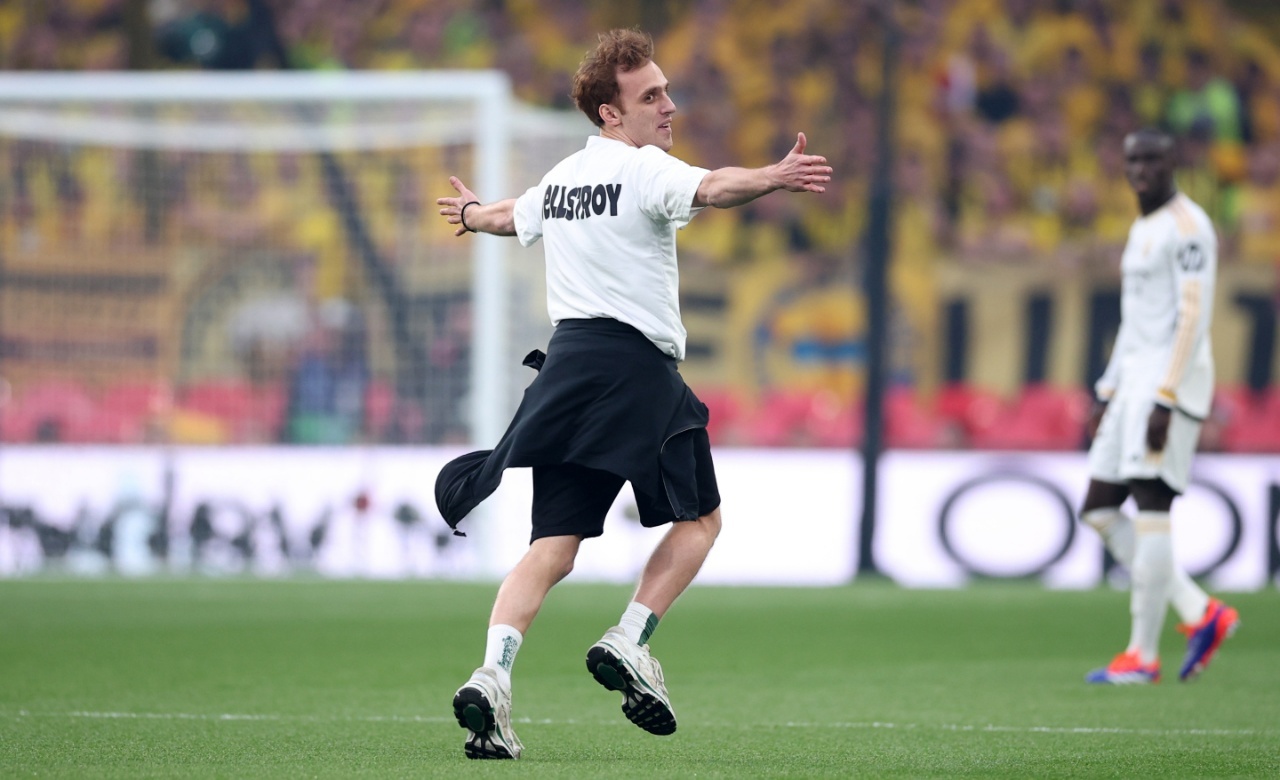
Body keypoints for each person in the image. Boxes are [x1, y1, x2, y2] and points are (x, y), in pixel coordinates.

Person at [432, 28, 831, 758]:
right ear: (610, 114)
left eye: (666, 91)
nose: (668, 106)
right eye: (651, 96)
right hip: (635, 369)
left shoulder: (559, 181)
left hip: (565, 369)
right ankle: (630, 639)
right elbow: (712, 187)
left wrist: (467, 214)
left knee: (552, 545)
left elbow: (504, 215)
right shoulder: (645, 170)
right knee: (702, 521)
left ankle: (491, 676)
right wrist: (774, 176)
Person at [1080, 127, 1239, 686]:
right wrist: (1107, 390)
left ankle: (1141, 656)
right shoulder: (1142, 226)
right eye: (1133, 160)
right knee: (1098, 510)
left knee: (1150, 513)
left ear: (1174, 164)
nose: (1141, 169)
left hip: (1168, 388)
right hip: (1133, 386)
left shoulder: (1189, 227)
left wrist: (1165, 398)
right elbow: (1136, 320)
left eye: (1152, 159)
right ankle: (1200, 611)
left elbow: (1192, 319)